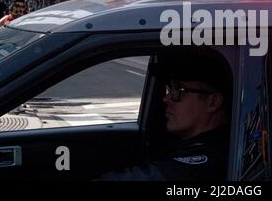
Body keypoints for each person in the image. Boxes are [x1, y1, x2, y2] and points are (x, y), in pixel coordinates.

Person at [99, 54, 232, 181]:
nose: (166, 98)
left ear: (213, 102)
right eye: (170, 89)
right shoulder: (185, 143)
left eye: (178, 90)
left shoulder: (208, 159)